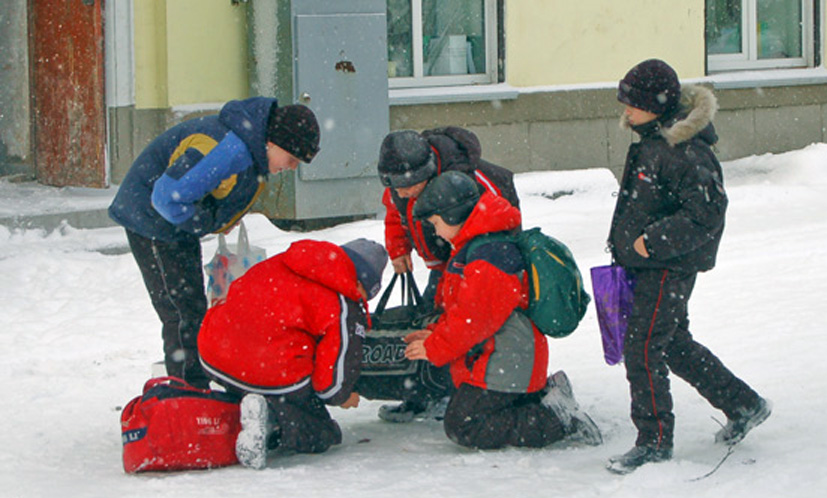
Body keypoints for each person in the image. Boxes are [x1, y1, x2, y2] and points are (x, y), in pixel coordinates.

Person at [604, 59, 771, 474]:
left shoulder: (685, 150)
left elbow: (706, 214)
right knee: (672, 343)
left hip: (666, 267)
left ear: (656, 105)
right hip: (646, 264)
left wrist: (650, 242)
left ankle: (654, 442)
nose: (625, 110)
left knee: (643, 348)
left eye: (632, 103)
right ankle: (744, 403)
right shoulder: (651, 139)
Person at [108, 97, 320, 388]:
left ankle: (195, 384)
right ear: (273, 141)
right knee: (181, 311)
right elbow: (166, 198)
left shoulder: (249, 147)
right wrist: (203, 221)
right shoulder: (225, 148)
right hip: (151, 220)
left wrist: (213, 219)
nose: (293, 167)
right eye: (293, 158)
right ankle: (189, 393)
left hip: (174, 225)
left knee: (191, 307)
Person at [404, 172, 602, 450]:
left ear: (452, 215)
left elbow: (474, 321)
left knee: (465, 425)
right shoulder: (479, 247)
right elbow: (464, 311)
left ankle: (557, 418)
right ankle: (545, 398)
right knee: (474, 411)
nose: (435, 232)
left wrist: (434, 347)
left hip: (507, 361)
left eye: (435, 223)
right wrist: (433, 334)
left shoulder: (489, 257)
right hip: (504, 358)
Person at [197, 238, 387, 469]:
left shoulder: (285, 261)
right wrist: (342, 397)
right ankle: (271, 422)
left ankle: (235, 406)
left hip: (214, 352)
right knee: (322, 434)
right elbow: (332, 382)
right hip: (267, 368)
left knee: (253, 374)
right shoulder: (343, 302)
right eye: (366, 295)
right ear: (359, 283)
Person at [374, 126, 520, 422]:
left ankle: (462, 392)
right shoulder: (401, 183)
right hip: (441, 262)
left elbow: (500, 221)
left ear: (426, 173)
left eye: (407, 186)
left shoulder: (471, 179)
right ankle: (420, 393)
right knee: (429, 324)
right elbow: (395, 210)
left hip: (474, 261)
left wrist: (478, 266)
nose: (401, 192)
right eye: (394, 186)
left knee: (464, 323)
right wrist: (398, 247)